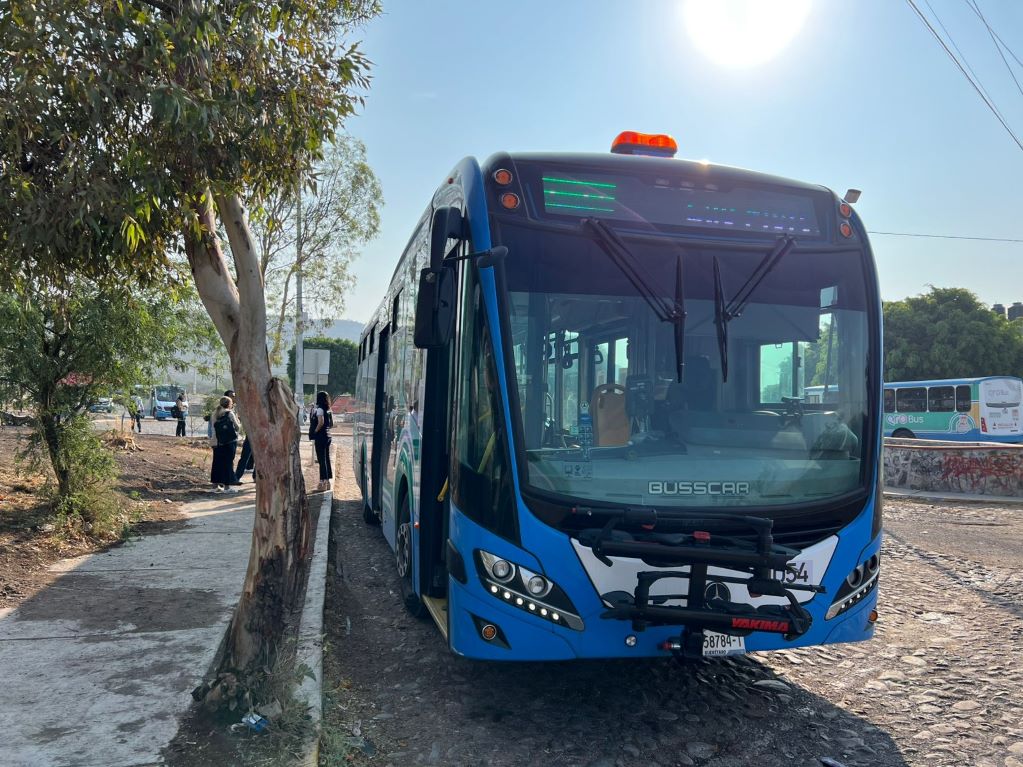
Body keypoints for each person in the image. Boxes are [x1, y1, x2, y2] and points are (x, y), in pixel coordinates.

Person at [210, 396, 242, 492]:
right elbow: (237, 427)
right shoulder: (230, 413)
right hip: (229, 442)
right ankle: (227, 487)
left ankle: (215, 486)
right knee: (228, 463)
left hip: (216, 442)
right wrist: (238, 420)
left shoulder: (215, 413)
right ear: (229, 404)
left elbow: (213, 428)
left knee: (217, 463)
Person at [310, 390, 334, 491]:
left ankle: (323, 482)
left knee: (321, 460)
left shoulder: (320, 409)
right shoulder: (328, 410)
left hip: (320, 437)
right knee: (326, 459)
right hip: (327, 436)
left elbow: (321, 422)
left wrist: (315, 431)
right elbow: (331, 424)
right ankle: (327, 482)